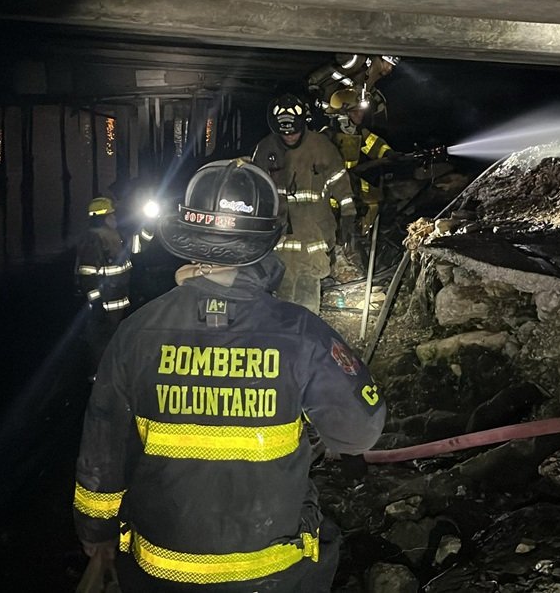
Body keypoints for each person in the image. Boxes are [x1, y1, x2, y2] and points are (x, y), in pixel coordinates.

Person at [72, 159, 387, 592]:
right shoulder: (300, 332)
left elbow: (102, 452)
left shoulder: (135, 332)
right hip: (275, 575)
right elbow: (359, 434)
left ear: (187, 238)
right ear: (266, 241)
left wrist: (95, 534)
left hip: (161, 572)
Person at [252, 93, 358, 313]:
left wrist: (348, 214)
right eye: (284, 133)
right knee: (280, 293)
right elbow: (256, 188)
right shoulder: (265, 149)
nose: (290, 137)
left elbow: (339, 181)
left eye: (294, 132)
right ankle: (281, 338)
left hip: (314, 233)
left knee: (308, 295)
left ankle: (307, 334)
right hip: (279, 236)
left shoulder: (321, 147)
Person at [324, 87, 403, 236]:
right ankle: (341, 240)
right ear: (342, 114)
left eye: (360, 110)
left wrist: (389, 153)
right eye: (355, 111)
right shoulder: (327, 135)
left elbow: (375, 145)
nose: (360, 114)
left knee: (374, 200)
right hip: (332, 185)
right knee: (336, 211)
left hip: (352, 179)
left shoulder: (359, 132)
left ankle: (362, 236)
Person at [75, 196, 133, 372]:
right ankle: (98, 381)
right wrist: (96, 303)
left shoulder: (117, 236)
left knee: (117, 343)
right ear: (103, 218)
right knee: (101, 345)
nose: (115, 218)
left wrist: (150, 225)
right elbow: (87, 274)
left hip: (119, 302)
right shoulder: (93, 240)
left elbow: (138, 247)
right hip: (105, 306)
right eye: (111, 215)